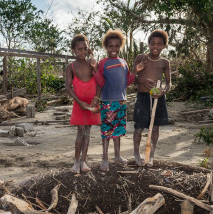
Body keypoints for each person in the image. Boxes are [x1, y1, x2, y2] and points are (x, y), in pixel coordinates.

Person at [94, 29, 142, 171]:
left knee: (118, 130)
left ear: (120, 46)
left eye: (116, 46)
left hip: (121, 101)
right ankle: (104, 158)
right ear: (106, 47)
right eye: (110, 46)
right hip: (107, 102)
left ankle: (117, 155)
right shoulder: (103, 63)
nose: (113, 49)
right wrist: (95, 71)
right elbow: (101, 83)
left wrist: (135, 72)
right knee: (107, 131)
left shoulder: (123, 62)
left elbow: (126, 82)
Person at [132, 30, 171, 166]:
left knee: (155, 128)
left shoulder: (164, 62)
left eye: (159, 44)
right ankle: (137, 154)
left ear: (164, 46)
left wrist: (162, 91)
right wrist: (141, 80)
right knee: (139, 128)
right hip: (143, 96)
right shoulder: (141, 58)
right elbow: (132, 78)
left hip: (157, 98)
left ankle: (151, 155)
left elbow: (168, 83)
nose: (155, 46)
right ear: (149, 44)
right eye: (153, 43)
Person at [65, 34, 101, 173]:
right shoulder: (71, 67)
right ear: (73, 50)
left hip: (92, 103)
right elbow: (68, 87)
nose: (83, 52)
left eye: (85, 48)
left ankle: (84, 161)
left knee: (88, 131)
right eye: (79, 49)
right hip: (79, 104)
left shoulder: (92, 64)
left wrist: (97, 97)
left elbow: (99, 81)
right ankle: (76, 162)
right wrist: (80, 102)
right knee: (81, 132)